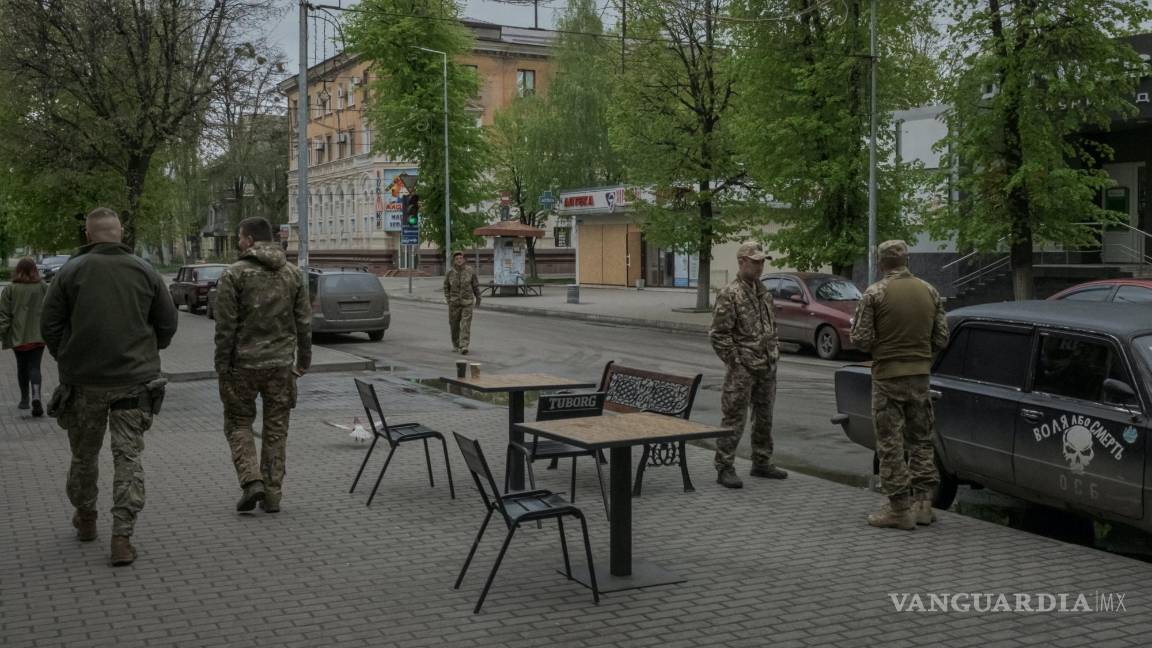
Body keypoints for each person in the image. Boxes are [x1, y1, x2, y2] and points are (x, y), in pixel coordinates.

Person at [41, 207, 178, 566]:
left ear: (88, 235)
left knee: (83, 457)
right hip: (134, 383)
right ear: (119, 234)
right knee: (128, 458)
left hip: (82, 383)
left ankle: (86, 520)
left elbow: (49, 325)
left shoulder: (69, 272)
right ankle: (122, 537)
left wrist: (67, 356)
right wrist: (148, 352)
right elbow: (167, 322)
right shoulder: (145, 270)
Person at [214, 217, 311, 514]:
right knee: (276, 430)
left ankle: (250, 479)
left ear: (250, 240)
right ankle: (272, 495)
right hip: (281, 366)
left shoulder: (234, 275)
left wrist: (222, 367)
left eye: (240, 238)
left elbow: (225, 328)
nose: (239, 243)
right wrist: (303, 361)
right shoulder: (294, 274)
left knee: (238, 423)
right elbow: (304, 323)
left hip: (242, 366)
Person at [850, 240, 949, 530]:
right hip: (920, 376)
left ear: (881, 263)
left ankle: (898, 509)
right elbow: (942, 338)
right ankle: (924, 505)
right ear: (907, 261)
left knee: (890, 443)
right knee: (921, 440)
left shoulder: (875, 293)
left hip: (888, 377)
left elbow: (861, 339)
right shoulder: (929, 290)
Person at [710, 241, 788, 489]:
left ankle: (762, 462)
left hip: (766, 365)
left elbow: (771, 327)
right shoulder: (730, 294)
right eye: (755, 262)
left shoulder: (763, 292)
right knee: (734, 418)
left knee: (765, 417)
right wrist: (736, 361)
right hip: (742, 369)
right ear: (742, 261)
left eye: (762, 261)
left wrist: (775, 350)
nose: (760, 266)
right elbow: (719, 335)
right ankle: (724, 466)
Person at [0, 258, 49, 416]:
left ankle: (24, 399)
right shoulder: (43, 287)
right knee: (35, 367)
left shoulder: (11, 289)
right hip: (38, 335)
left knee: (22, 368)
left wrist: (2, 332)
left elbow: (4, 315)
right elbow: (51, 309)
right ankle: (36, 396)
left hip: (18, 336)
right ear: (35, 269)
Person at [444, 251, 481, 355]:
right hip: (454, 303)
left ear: (463, 259)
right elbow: (446, 287)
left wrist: (478, 298)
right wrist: (448, 299)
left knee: (465, 324)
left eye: (461, 258)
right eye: (457, 258)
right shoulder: (450, 272)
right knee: (454, 325)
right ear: (454, 261)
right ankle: (456, 344)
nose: (459, 260)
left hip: (467, 302)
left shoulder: (470, 271)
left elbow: (475, 286)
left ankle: (464, 345)